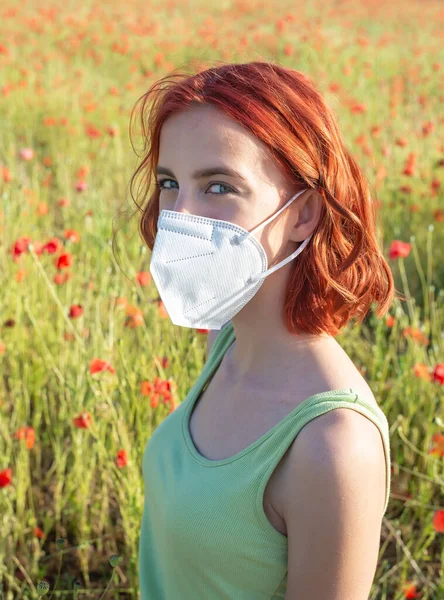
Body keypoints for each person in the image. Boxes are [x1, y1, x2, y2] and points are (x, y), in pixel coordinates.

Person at [131, 61, 395, 599]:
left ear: (304, 215)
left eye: (219, 186)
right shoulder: (226, 337)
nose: (179, 216)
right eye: (169, 183)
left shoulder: (334, 447)